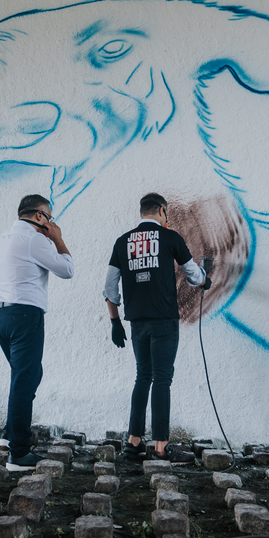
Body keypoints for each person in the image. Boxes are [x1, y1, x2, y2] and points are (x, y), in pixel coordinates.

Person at [104, 192, 211, 463]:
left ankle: (134, 442)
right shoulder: (171, 238)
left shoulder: (122, 242)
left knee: (143, 377)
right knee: (162, 379)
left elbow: (109, 289)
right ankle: (162, 447)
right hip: (164, 320)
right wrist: (205, 279)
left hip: (137, 321)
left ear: (142, 213)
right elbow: (193, 276)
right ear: (162, 211)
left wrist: (115, 322)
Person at [0, 193, 74, 471]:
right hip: (25, 316)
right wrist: (58, 239)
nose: (50, 222)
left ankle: (8, 435)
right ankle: (19, 454)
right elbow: (67, 269)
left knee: (27, 376)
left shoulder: (3, 239)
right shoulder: (35, 239)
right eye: (49, 217)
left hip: (0, 315)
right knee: (24, 383)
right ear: (39, 216)